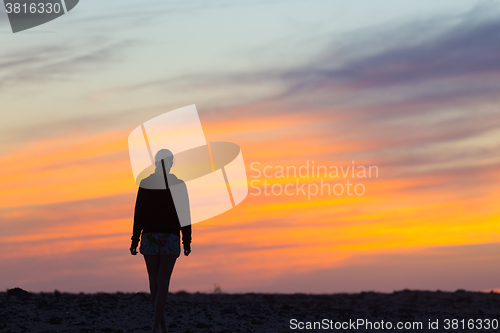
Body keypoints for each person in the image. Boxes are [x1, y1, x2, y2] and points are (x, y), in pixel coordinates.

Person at [130, 149, 192, 333]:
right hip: (170, 238)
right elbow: (185, 215)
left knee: (154, 282)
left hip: (149, 237)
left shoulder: (146, 183)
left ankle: (158, 327)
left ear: (156, 163)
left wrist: (134, 239)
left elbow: (138, 214)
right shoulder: (179, 184)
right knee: (163, 281)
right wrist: (187, 241)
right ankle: (158, 327)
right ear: (172, 163)